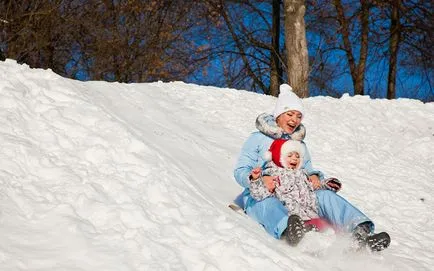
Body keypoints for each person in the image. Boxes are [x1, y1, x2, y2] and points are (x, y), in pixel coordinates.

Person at [233, 84, 390, 251]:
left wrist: (315, 177)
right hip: (263, 192)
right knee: (267, 203)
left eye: (299, 116)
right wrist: (258, 178)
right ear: (278, 115)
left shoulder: (299, 144)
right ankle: (289, 230)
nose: (295, 120)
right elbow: (240, 170)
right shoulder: (257, 139)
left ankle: (360, 232)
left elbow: (307, 170)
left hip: (296, 193)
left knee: (326, 196)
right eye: (290, 114)